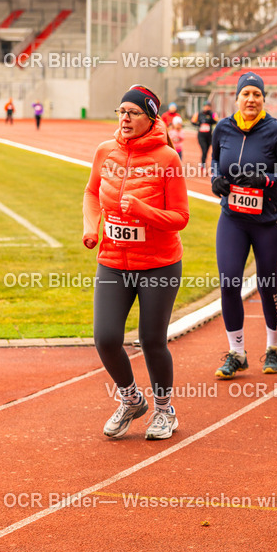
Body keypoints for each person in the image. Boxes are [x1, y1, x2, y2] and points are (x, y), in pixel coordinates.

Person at [82, 84, 189, 440]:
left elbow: (180, 217)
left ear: (150, 118)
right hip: (113, 260)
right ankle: (130, 399)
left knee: (152, 339)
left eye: (133, 113)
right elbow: (90, 192)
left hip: (158, 262)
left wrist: (144, 211)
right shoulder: (105, 151)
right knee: (106, 337)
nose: (125, 118)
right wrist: (91, 227)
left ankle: (164, 410)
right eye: (121, 111)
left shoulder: (167, 159)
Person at [210, 72, 277, 379]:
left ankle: (273, 348)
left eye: (257, 95)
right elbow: (215, 162)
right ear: (236, 98)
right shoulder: (223, 128)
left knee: (267, 285)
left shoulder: (275, 131)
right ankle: (237, 353)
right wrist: (216, 180)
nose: (251, 99)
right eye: (246, 94)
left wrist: (267, 180)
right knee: (229, 282)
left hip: (269, 222)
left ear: (263, 99)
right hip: (233, 219)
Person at [192, 101, 218, 169]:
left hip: (209, 135)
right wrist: (199, 125)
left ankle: (204, 162)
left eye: (208, 106)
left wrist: (211, 117)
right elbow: (193, 121)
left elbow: (216, 121)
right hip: (201, 135)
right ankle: (203, 164)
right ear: (203, 107)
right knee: (204, 149)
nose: (207, 107)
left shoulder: (212, 114)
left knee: (207, 150)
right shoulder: (199, 114)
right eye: (206, 106)